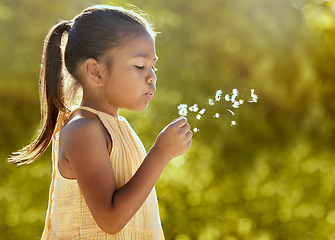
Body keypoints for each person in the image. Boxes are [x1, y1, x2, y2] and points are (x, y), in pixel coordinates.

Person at [8, 4, 193, 239]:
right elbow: (110, 219)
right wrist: (161, 153)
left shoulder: (117, 127)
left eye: (153, 66)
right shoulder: (83, 130)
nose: (152, 76)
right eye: (139, 66)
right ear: (95, 71)